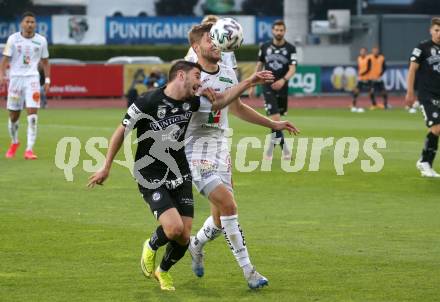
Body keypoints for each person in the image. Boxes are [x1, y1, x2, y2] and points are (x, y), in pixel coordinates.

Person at [88, 60, 277, 291]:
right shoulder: (147, 101)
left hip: (180, 171)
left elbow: (223, 103)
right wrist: (106, 166)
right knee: (174, 229)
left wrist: (248, 81)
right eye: (197, 76)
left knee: (184, 236)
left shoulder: (192, 102)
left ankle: (163, 271)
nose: (200, 81)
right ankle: (150, 245)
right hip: (151, 174)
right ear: (181, 76)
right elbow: (121, 131)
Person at [185, 23, 299, 289]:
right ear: (196, 47)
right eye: (209, 40)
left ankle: (196, 244)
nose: (214, 43)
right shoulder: (191, 76)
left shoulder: (226, 72)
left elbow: (236, 107)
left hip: (220, 148)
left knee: (219, 219)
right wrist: (249, 80)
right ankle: (250, 273)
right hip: (194, 150)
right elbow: (216, 103)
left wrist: (274, 124)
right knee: (229, 207)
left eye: (216, 39)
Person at [0, 11, 50, 159]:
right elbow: (5, 60)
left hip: (32, 79)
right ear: (22, 24)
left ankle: (29, 149)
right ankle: (15, 142)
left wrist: (47, 80)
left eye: (32, 22)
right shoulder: (13, 39)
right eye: (27, 22)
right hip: (15, 79)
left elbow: (46, 61)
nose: (29, 24)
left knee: (32, 116)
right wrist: (1, 75)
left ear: (35, 25)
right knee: (14, 115)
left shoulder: (41, 41)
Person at [249, 19, 297, 160]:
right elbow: (259, 66)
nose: (279, 32)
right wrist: (251, 84)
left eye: (281, 30)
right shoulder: (264, 47)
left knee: (276, 121)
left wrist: (283, 80)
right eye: (276, 30)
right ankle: (284, 151)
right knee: (275, 119)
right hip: (268, 85)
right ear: (272, 31)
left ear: (285, 31)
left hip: (282, 88)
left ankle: (271, 150)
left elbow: (293, 68)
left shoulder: (291, 49)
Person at [405, 17, 440, 178]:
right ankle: (425, 163)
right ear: (431, 31)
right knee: (437, 128)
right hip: (427, 94)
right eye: (437, 30)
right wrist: (410, 92)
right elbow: (412, 70)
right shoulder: (422, 47)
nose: (439, 33)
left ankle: (424, 161)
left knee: (436, 130)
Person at [351, 47, 373, 113]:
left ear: (366, 52)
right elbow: (359, 67)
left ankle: (373, 104)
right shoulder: (359, 58)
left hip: (368, 78)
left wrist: (362, 73)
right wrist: (359, 74)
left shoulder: (369, 58)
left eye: (364, 51)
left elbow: (369, 68)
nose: (362, 52)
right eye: (361, 51)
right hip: (361, 79)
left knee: (371, 92)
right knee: (356, 91)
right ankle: (353, 105)